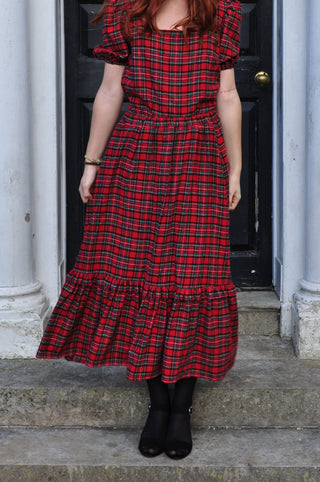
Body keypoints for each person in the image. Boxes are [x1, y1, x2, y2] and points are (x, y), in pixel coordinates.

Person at [36, 0, 242, 460]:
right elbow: (111, 91)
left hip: (199, 153)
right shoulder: (125, 14)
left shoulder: (222, 13)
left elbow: (227, 94)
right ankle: (158, 403)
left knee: (194, 275)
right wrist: (91, 164)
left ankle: (182, 408)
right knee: (139, 273)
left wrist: (235, 168)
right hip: (137, 154)